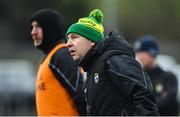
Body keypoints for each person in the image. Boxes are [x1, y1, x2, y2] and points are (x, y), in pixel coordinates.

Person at [66, 9, 159, 116]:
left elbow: (143, 94)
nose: (68, 44)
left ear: (91, 40)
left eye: (74, 37)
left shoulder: (113, 59)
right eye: (68, 39)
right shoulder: (91, 69)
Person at [30, 9, 86, 116]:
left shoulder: (61, 55)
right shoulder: (50, 57)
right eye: (32, 27)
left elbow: (81, 96)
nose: (33, 32)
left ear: (49, 28)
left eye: (37, 26)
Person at [134, 35, 179, 116]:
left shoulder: (169, 77)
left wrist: (145, 103)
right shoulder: (139, 78)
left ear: (152, 52)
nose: (140, 56)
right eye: (138, 53)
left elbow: (168, 102)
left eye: (143, 52)